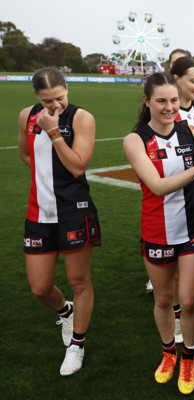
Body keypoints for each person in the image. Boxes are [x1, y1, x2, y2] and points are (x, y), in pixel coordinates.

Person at [123, 72, 194, 395]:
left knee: (188, 301)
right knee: (163, 299)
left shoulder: (190, 131)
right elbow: (157, 187)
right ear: (147, 101)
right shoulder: (135, 140)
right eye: (161, 100)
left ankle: (188, 355)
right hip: (157, 230)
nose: (170, 107)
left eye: (174, 100)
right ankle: (168, 352)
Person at [18, 67, 101, 376]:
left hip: (73, 210)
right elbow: (26, 155)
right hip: (38, 212)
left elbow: (78, 167)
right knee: (40, 288)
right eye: (47, 100)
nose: (54, 106)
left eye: (60, 98)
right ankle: (66, 312)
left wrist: (53, 131)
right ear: (36, 97)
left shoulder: (81, 118)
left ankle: (76, 345)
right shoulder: (27, 115)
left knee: (79, 282)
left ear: (68, 89)